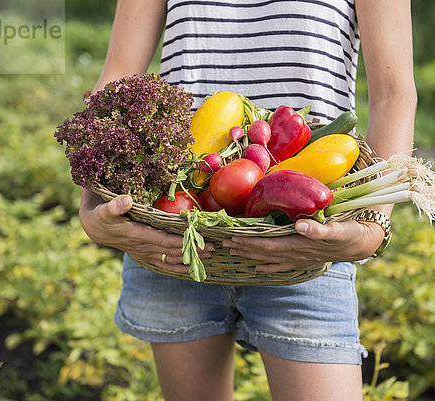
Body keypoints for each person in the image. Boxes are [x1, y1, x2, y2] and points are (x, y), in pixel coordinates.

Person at [79, 1, 416, 400]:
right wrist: (89, 208)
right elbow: (119, 77)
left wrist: (373, 227)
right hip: (176, 231)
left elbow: (393, 94)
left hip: (305, 239)